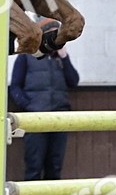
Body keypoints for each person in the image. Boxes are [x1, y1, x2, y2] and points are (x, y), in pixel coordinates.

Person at [8, 49, 80, 181]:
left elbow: (73, 81)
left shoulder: (60, 58)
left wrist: (65, 57)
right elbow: (15, 87)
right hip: (35, 120)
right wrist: (30, 106)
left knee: (55, 166)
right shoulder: (25, 57)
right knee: (34, 165)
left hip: (60, 119)